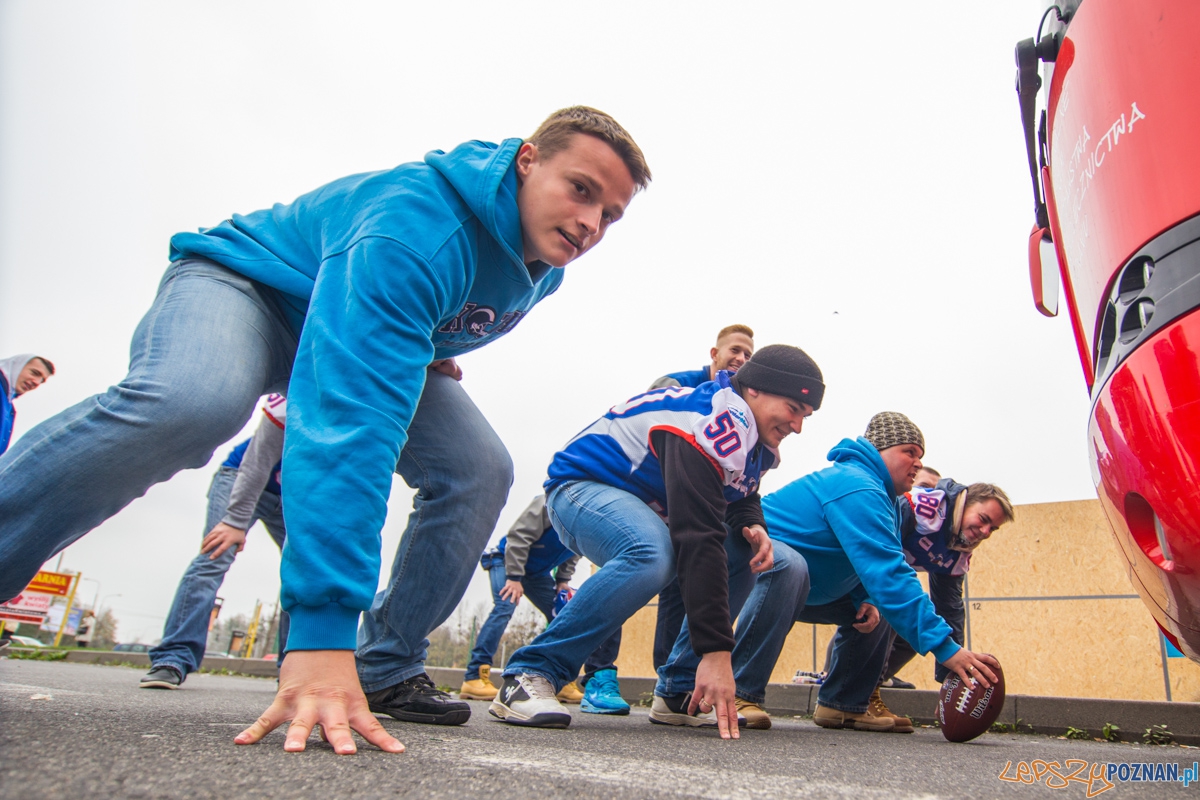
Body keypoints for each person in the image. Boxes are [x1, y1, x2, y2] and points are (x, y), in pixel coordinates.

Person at [0, 106, 650, 756]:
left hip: (350, 308)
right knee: (194, 403)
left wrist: (423, 340)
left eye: (610, 215)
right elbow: (351, 420)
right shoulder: (418, 229)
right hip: (251, 288)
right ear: (527, 162)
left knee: (478, 466)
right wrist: (319, 634)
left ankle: (384, 665)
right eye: (581, 190)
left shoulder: (545, 266)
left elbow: (415, 320)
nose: (591, 223)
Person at [491, 345, 825, 739]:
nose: (798, 426)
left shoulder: (755, 437)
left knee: (745, 551)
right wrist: (717, 653)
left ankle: (681, 690)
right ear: (755, 390)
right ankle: (532, 671)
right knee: (654, 553)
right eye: (793, 409)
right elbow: (698, 535)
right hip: (581, 489)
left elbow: (742, 494)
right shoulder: (708, 420)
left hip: (644, 507)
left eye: (805, 416)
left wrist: (753, 525)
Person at [678, 412, 999, 733]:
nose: (917, 463)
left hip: (809, 585)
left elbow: (865, 565)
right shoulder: (857, 486)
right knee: (793, 567)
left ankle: (843, 702)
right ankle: (741, 692)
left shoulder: (886, 501)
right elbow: (889, 573)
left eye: (921, 456)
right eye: (910, 452)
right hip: (755, 566)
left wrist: (866, 598)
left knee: (878, 606)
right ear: (880, 450)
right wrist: (947, 650)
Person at [140, 395, 289, 689]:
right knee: (215, 555)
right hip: (243, 477)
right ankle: (174, 656)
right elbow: (257, 461)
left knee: (306, 571)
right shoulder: (295, 397)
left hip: (293, 493)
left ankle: (293, 667)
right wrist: (235, 521)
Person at [647, 325, 755, 670]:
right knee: (649, 568)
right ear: (714, 354)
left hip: (701, 498)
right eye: (735, 350)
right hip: (656, 496)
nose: (741, 359)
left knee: (688, 580)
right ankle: (606, 672)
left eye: (749, 355)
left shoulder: (742, 403)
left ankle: (672, 676)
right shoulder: (676, 385)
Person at [458, 494, 592, 707]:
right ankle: (474, 676)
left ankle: (558, 679)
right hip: (505, 561)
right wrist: (513, 577)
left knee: (563, 613)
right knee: (505, 605)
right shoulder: (550, 501)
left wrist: (563, 580)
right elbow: (519, 537)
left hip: (536, 573)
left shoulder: (590, 516)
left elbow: (576, 550)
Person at [880, 478, 1015, 687]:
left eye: (993, 528)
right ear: (966, 502)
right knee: (885, 607)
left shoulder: (958, 550)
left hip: (883, 574)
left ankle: (875, 680)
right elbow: (880, 561)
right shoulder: (919, 508)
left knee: (916, 627)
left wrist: (951, 681)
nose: (986, 532)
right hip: (856, 563)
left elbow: (949, 610)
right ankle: (848, 686)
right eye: (983, 518)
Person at [0, 354, 55, 456]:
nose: (37, 382)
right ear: (17, 365)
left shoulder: (9, 408)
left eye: (41, 380)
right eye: (34, 373)